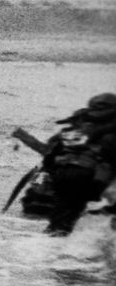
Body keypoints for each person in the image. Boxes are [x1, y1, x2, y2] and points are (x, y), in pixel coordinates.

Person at [42, 92, 116, 236]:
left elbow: (52, 146)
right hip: (93, 179)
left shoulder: (80, 121)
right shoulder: (112, 125)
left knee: (60, 222)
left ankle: (51, 243)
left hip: (62, 173)